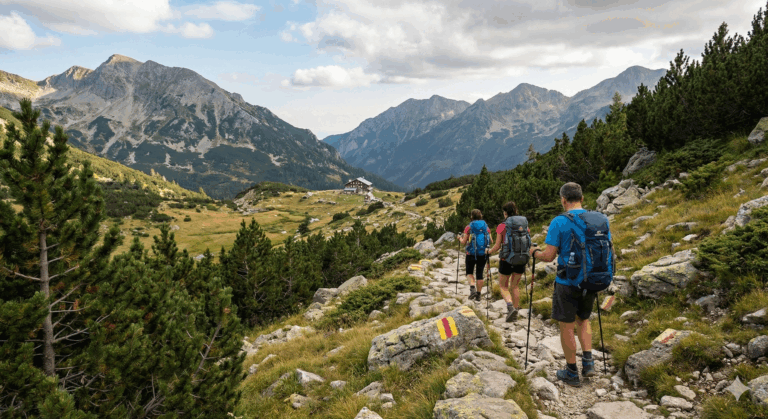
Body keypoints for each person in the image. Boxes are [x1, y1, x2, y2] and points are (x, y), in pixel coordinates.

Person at [529, 182, 611, 387]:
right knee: (583, 319)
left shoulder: (559, 221)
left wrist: (533, 253)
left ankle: (572, 372)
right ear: (582, 199)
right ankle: (589, 362)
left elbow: (548, 257)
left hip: (567, 281)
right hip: (591, 279)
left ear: (563, 200)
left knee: (566, 325)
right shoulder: (600, 219)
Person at [488, 201, 529, 322]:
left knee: (503, 286)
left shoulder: (502, 226)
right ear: (516, 211)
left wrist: (489, 252)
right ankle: (516, 309)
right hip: (521, 258)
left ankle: (510, 307)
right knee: (515, 286)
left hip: (506, 259)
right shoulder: (524, 224)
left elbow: (497, 246)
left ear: (505, 213)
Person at [458, 209, 493, 302]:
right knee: (480, 274)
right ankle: (478, 295)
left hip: (471, 253)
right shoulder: (486, 226)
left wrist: (459, 238)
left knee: (469, 272)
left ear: (471, 217)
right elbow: (491, 240)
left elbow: (463, 242)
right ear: (481, 216)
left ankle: (472, 288)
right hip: (483, 253)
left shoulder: (468, 227)